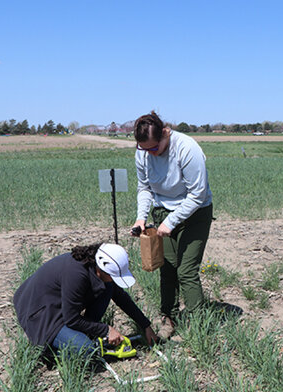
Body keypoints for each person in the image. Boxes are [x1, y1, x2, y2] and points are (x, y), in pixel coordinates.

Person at [131, 111, 213, 339]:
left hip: (195, 212)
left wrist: (171, 221)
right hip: (162, 211)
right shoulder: (144, 152)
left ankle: (198, 326)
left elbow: (197, 194)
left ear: (166, 133)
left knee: (186, 270)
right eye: (144, 149)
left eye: (154, 148)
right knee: (167, 268)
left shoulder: (187, 149)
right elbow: (144, 188)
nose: (150, 154)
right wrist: (141, 217)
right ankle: (169, 317)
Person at [13, 243, 158, 357]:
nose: (114, 280)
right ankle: (49, 351)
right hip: (39, 312)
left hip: (58, 305)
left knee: (108, 288)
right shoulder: (76, 274)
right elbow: (71, 319)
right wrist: (106, 330)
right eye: (113, 276)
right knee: (87, 351)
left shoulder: (95, 266)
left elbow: (121, 297)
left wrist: (145, 325)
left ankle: (82, 334)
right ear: (101, 269)